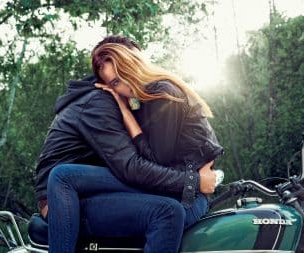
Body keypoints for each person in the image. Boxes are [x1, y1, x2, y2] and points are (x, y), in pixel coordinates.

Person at [35, 36, 220, 253]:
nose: (124, 85)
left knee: (169, 211)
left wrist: (195, 182)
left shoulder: (159, 95)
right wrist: (194, 181)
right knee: (63, 175)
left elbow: (151, 161)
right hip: (66, 200)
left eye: (125, 72)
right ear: (105, 83)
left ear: (137, 62)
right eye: (115, 82)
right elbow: (134, 166)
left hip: (180, 194)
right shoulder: (101, 101)